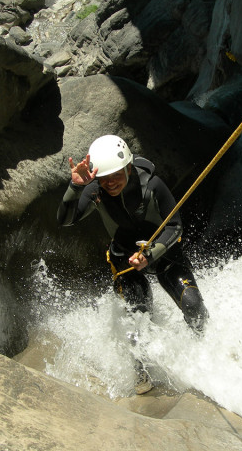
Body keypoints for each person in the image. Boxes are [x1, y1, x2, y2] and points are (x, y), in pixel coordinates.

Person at [57, 135, 209, 394]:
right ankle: (142, 373)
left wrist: (149, 256)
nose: (110, 183)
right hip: (124, 261)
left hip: (164, 256)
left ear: (128, 167)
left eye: (116, 174)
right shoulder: (95, 192)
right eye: (103, 178)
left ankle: (204, 351)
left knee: (194, 305)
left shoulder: (152, 185)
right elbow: (65, 220)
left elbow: (175, 226)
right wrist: (75, 186)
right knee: (137, 314)